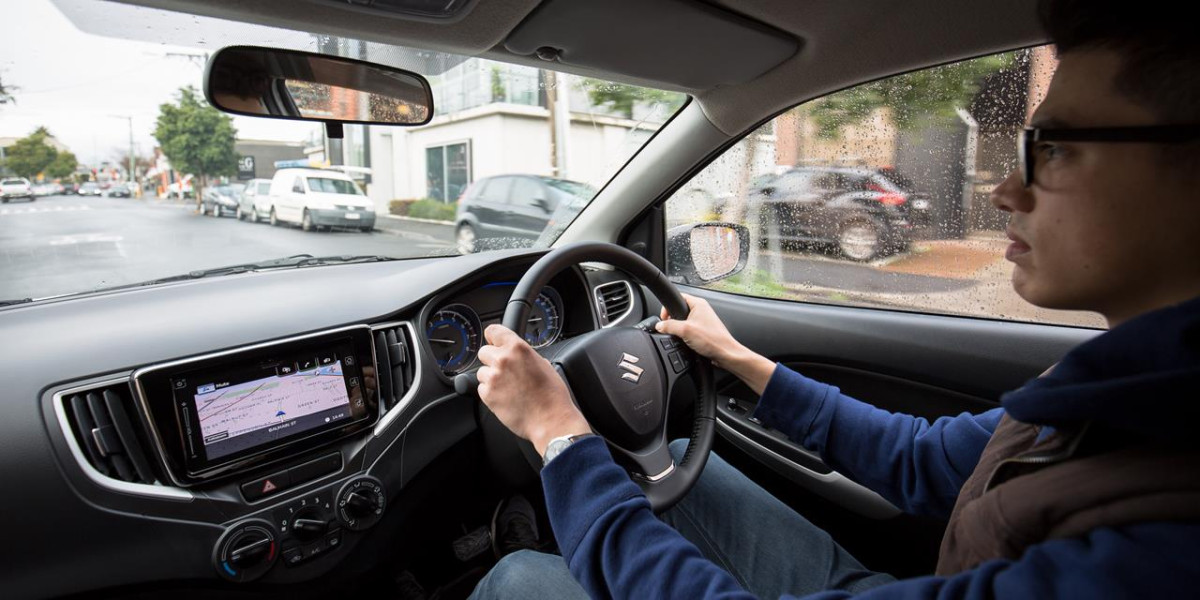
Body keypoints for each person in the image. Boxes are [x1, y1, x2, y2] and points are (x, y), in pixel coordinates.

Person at [468, 0, 1200, 597]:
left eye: (1060, 147)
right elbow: (922, 462)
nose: (1007, 190)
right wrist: (739, 360)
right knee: (687, 457)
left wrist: (560, 435)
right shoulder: (1110, 396)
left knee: (518, 580)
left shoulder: (1159, 551)